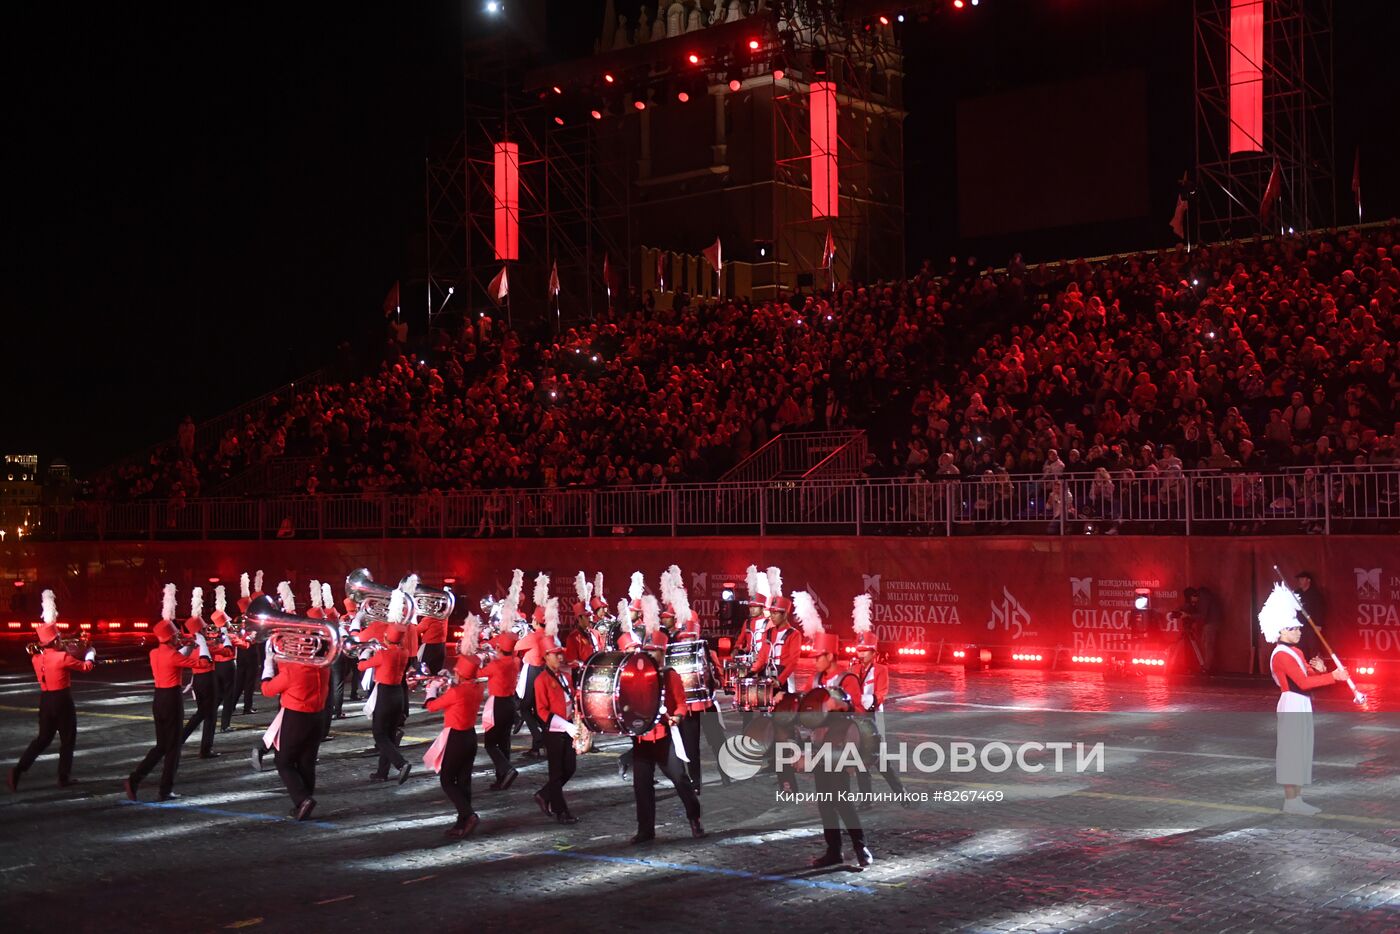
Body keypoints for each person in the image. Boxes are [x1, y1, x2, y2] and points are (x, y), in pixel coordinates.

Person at [1258, 583, 1349, 815]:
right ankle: (1290, 801)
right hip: (1292, 703)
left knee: (1302, 750)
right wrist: (1334, 676)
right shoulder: (1280, 655)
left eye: (1299, 628)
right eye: (1293, 628)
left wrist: (1321, 670)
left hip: (1303, 703)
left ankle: (1297, 798)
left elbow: (1309, 675)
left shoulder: (1296, 652)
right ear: (1280, 632)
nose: (1299, 631)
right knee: (1291, 751)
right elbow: (1303, 683)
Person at [125, 586, 213, 801]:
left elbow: (175, 655)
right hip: (172, 699)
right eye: (176, 636)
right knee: (173, 748)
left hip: (159, 699)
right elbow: (203, 663)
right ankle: (165, 789)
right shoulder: (173, 656)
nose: (178, 639)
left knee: (162, 745)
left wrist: (185, 645)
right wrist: (201, 644)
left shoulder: (155, 652)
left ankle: (136, 778)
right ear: (172, 637)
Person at [8, 590, 95, 791]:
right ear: (54, 640)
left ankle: (19, 770)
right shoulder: (62, 657)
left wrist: (64, 644)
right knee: (68, 738)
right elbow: (85, 667)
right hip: (62, 700)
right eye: (58, 638)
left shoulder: (36, 658)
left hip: (45, 701)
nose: (61, 640)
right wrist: (90, 653)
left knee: (43, 739)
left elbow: (57, 650)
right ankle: (63, 777)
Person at [628, 634, 704, 844]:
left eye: (654, 651)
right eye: (647, 651)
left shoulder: (670, 675)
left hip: (664, 737)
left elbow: (681, 704)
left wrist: (677, 717)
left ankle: (694, 818)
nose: (649, 655)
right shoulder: (635, 677)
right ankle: (645, 829)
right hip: (642, 738)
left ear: (662, 653)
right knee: (641, 785)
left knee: (679, 778)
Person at [259, 645, 331, 821]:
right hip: (317, 717)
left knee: (283, 761)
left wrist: (268, 665)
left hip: (295, 717)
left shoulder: (293, 670)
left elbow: (267, 690)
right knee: (307, 761)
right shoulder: (324, 665)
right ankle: (304, 803)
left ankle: (303, 800)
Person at [424, 651, 485, 838]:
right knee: (464, 781)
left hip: (456, 738)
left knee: (447, 780)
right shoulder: (477, 688)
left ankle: (469, 814)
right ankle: (461, 823)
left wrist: (431, 689)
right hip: (470, 737)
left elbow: (431, 706)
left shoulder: (457, 691)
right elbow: (462, 686)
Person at [850, 598, 905, 800]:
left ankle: (901, 793)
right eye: (859, 650)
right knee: (859, 759)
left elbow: (881, 693)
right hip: (856, 717)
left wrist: (868, 700)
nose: (861, 654)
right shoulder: (853, 668)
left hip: (873, 716)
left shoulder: (881, 669)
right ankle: (866, 799)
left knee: (880, 760)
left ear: (873, 653)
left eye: (865, 651)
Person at [357, 602, 412, 784]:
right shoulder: (403, 652)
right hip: (397, 694)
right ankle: (382, 772)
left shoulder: (383, 653)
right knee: (388, 735)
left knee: (379, 734)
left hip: (385, 694)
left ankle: (401, 763)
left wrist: (365, 653)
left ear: (387, 636)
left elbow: (361, 666)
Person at [178, 588, 230, 759]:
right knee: (208, 715)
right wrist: (226, 637)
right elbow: (225, 652)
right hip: (208, 680)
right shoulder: (203, 645)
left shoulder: (190, 644)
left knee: (204, 713)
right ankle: (202, 748)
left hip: (198, 681)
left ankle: (190, 744)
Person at [532, 644, 579, 824]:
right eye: (556, 655)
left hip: (568, 727)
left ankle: (544, 795)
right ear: (546, 657)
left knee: (570, 768)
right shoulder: (541, 680)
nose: (560, 658)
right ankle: (561, 811)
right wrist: (565, 725)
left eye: (561, 654)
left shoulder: (566, 676)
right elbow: (542, 711)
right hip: (554, 732)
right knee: (557, 773)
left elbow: (572, 698)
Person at [481, 630, 521, 790]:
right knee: (504, 742)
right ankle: (502, 778)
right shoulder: (516, 661)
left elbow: (478, 673)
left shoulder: (495, 664)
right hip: (510, 704)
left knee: (490, 743)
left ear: (498, 648)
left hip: (497, 705)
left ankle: (506, 769)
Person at [1293, 571, 1325, 660]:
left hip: (1312, 626)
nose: (1300, 581)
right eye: (1299, 579)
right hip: (1299, 627)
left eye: (1302, 579)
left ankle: (1316, 670)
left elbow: (1320, 609)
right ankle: (1303, 670)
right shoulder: (1296, 593)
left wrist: (1318, 624)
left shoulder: (1316, 594)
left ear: (1308, 580)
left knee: (1313, 649)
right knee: (1301, 649)